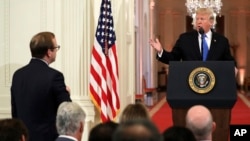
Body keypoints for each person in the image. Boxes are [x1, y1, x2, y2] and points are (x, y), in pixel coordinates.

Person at [11, 31, 72, 141]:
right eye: (56, 47)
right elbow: (66, 111)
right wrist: (67, 93)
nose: (57, 51)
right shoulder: (55, 76)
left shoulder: (17, 75)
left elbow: (15, 113)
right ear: (49, 52)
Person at [149, 8, 235, 64]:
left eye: (202, 19)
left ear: (211, 22)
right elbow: (174, 58)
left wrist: (233, 68)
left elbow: (229, 62)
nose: (198, 21)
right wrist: (161, 51)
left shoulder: (222, 41)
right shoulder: (185, 39)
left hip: (215, 85)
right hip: (190, 85)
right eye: (197, 19)